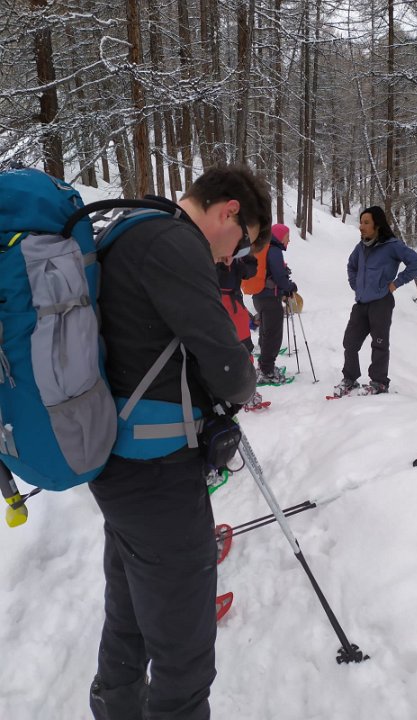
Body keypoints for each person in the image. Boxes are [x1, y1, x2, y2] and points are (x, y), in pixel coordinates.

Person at [89, 165, 272, 720]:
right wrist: (243, 379)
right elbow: (229, 369)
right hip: (157, 474)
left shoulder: (130, 226)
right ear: (229, 211)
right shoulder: (173, 243)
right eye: (241, 241)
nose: (231, 256)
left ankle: (116, 706)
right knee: (183, 643)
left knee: (131, 609)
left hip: (118, 461)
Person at [333, 205, 417, 397]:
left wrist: (396, 283)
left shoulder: (392, 246)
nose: (361, 226)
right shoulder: (360, 247)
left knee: (379, 343)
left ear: (378, 225)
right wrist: (356, 285)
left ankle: (379, 383)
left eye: (366, 222)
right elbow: (351, 266)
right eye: (361, 222)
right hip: (361, 303)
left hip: (381, 303)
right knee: (350, 342)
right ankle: (350, 379)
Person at [216, 256, 265, 410]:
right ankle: (246, 394)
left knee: (226, 353)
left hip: (219, 307)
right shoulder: (234, 258)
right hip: (231, 309)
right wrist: (247, 257)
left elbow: (248, 271)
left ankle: (238, 393)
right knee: (243, 351)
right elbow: (249, 271)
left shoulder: (208, 254)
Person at [253, 223, 298, 385]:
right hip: (270, 299)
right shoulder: (274, 250)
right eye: (287, 236)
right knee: (273, 336)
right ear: (280, 236)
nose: (289, 240)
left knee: (266, 333)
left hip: (259, 297)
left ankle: (264, 367)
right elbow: (279, 276)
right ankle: (267, 371)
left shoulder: (264, 248)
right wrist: (290, 286)